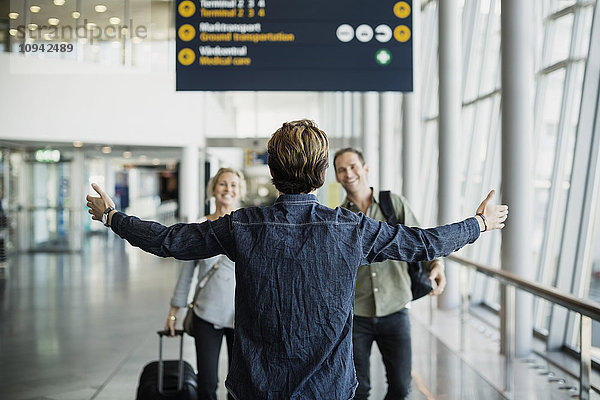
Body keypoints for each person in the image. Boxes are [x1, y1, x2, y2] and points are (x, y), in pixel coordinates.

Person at [86, 119, 508, 400]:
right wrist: (478, 224)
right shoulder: (351, 229)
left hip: (255, 387)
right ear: (323, 173)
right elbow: (422, 243)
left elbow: (169, 240)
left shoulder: (242, 226)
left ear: (272, 171)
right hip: (329, 388)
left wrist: (112, 216)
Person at [334, 147, 445, 399]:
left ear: (365, 169)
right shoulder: (339, 217)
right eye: (342, 169)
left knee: (400, 386)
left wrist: (436, 265)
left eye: (353, 166)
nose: (348, 173)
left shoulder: (393, 204)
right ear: (337, 177)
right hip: (356, 315)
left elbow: (419, 240)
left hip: (395, 308)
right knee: (357, 389)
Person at [165, 167, 245, 400]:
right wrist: (173, 312)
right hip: (206, 313)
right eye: (222, 184)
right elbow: (186, 274)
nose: (227, 189)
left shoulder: (247, 226)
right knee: (206, 384)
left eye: (233, 185)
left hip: (240, 315)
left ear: (240, 191)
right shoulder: (200, 226)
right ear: (213, 189)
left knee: (238, 386)